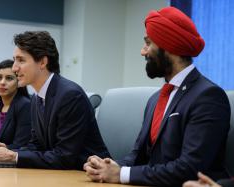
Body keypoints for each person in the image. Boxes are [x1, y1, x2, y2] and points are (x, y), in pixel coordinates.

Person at [84, 6, 230, 186]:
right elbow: (138, 156)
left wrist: (122, 174)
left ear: (169, 46)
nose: (142, 51)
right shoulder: (155, 99)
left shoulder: (208, 97)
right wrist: (106, 167)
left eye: (148, 43)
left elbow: (190, 168)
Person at [0, 31, 110, 169]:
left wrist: (15, 156)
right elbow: (36, 145)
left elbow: (64, 156)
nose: (14, 68)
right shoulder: (37, 98)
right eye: (14, 60)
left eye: (21, 60)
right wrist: (10, 151)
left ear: (42, 62)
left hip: (89, 175)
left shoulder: (70, 95)